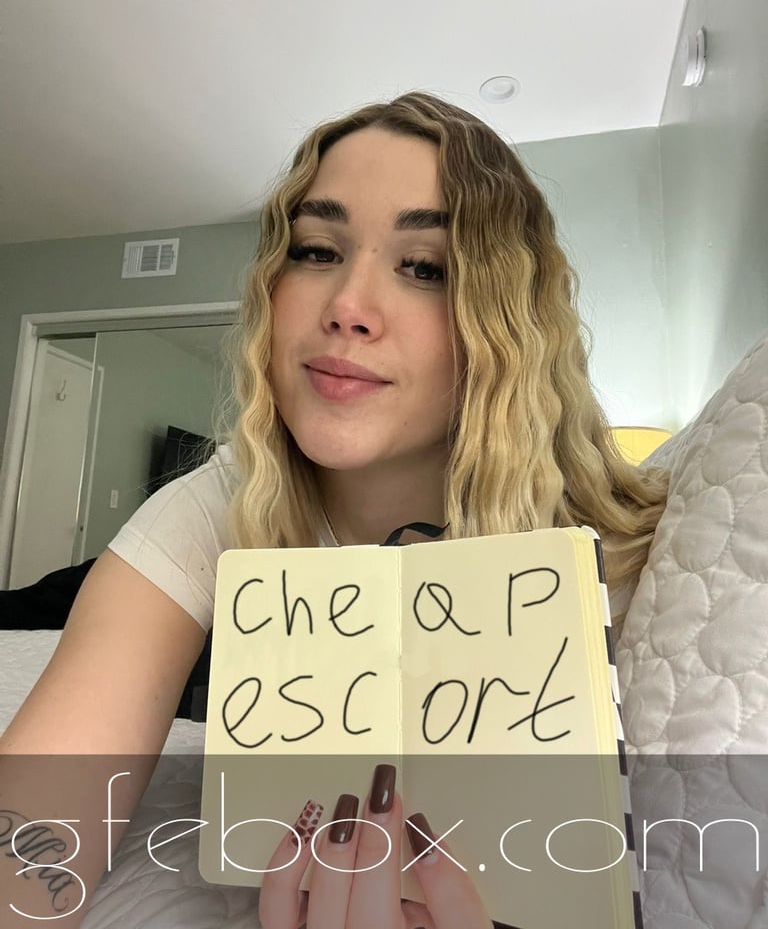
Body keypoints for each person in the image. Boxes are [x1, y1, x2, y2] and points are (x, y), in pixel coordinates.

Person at [0, 91, 668, 927]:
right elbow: (32, 830)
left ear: (504, 320)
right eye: (317, 250)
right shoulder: (220, 498)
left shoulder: (612, 562)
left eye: (425, 267)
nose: (347, 306)